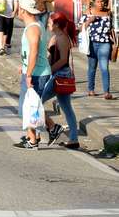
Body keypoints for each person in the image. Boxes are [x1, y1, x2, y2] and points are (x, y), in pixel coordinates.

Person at [13, 0, 52, 150]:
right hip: (33, 70)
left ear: (23, 10)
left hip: (36, 73)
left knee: (27, 107)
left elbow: (35, 51)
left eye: (19, 8)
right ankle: (37, 135)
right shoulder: (33, 26)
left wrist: (28, 73)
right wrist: (23, 66)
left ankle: (33, 140)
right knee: (32, 105)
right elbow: (30, 51)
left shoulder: (33, 28)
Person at [41, 12, 79, 149]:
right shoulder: (55, 37)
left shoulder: (62, 39)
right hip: (57, 75)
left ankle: (51, 129)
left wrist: (49, 70)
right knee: (67, 108)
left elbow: (63, 60)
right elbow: (50, 56)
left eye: (50, 22)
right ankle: (73, 139)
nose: (48, 25)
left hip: (60, 75)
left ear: (56, 24)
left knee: (37, 102)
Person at [79, 0, 114, 100]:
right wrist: (89, 21)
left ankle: (106, 92)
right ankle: (91, 89)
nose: (101, 3)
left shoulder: (108, 13)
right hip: (92, 43)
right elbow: (80, 28)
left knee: (104, 67)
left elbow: (111, 28)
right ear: (93, 2)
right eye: (98, 1)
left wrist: (114, 40)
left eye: (102, 1)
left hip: (105, 43)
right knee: (92, 68)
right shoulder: (88, 13)